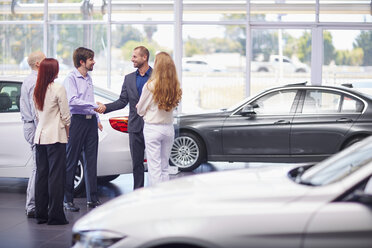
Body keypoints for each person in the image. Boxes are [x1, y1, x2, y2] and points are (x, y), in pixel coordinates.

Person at [96, 46, 151, 189]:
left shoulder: (157, 77)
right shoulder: (129, 78)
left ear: (144, 57)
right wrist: (105, 108)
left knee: (155, 162)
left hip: (153, 125)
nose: (131, 59)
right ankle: (138, 192)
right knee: (137, 163)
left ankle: (155, 193)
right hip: (135, 127)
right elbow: (122, 101)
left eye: (134, 57)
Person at [63, 47, 103, 211]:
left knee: (91, 161)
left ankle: (92, 199)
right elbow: (72, 101)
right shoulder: (71, 78)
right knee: (71, 161)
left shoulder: (88, 78)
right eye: (91, 59)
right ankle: (67, 200)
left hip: (91, 121)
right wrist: (95, 106)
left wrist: (97, 117)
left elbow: (89, 99)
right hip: (77, 122)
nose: (94, 62)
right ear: (82, 61)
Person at [33, 58, 70, 225]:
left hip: (40, 137)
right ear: (53, 71)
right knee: (56, 177)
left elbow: (37, 115)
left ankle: (40, 215)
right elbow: (66, 117)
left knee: (41, 176)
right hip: (55, 137)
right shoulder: (58, 88)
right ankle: (55, 216)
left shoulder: (37, 89)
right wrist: (67, 133)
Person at [136, 52, 182, 186]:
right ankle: (164, 197)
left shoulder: (150, 85)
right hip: (168, 129)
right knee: (164, 167)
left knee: (154, 167)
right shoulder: (175, 86)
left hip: (152, 128)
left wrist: (142, 109)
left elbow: (140, 109)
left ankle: (155, 199)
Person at [20, 51, 46, 218]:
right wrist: (42, 131)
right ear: (38, 64)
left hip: (32, 126)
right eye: (44, 59)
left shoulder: (31, 80)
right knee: (38, 167)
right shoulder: (35, 81)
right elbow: (36, 110)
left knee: (40, 167)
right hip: (34, 127)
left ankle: (36, 204)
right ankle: (32, 206)